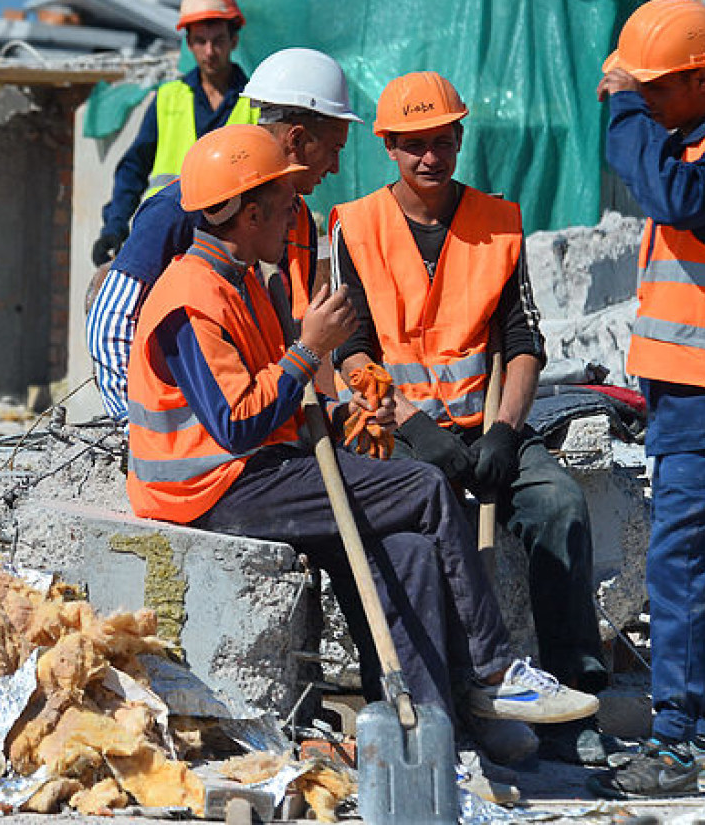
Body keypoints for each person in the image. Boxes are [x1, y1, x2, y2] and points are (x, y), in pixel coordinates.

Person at [126, 123, 598, 764]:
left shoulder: (242, 280)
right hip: (211, 487)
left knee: (405, 550)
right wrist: (309, 348)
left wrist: (341, 408)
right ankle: (493, 672)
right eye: (286, 204)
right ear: (250, 211)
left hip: (265, 468)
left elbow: (280, 395)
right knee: (426, 488)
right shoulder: (189, 297)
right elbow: (236, 422)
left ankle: (428, 740)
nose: (297, 215)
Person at [328, 71, 610, 766]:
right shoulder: (354, 226)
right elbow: (351, 351)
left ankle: (572, 697)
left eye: (443, 141)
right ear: (388, 146)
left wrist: (506, 433)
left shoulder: (497, 221)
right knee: (414, 547)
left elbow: (524, 345)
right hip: (395, 432)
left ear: (460, 138)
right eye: (414, 144)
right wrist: (412, 426)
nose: (430, 157)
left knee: (558, 504)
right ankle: (450, 696)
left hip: (484, 427)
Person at [588, 0, 705, 799]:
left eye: (654, 86)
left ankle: (679, 742)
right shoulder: (700, 140)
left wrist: (617, 107)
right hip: (702, 393)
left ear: (700, 76)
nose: (642, 97)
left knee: (683, 569)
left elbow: (677, 198)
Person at [88, 47, 355, 423]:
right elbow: (111, 321)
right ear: (295, 140)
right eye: (332, 150)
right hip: (200, 447)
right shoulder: (184, 209)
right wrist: (129, 425)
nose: (336, 166)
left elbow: (285, 340)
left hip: (259, 426)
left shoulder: (300, 223)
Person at [91, 0, 257, 266]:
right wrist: (115, 226)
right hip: (167, 238)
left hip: (231, 245)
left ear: (234, 41)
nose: (210, 51)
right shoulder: (168, 98)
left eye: (218, 40)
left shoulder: (256, 101)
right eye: (200, 41)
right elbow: (134, 167)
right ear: (189, 44)